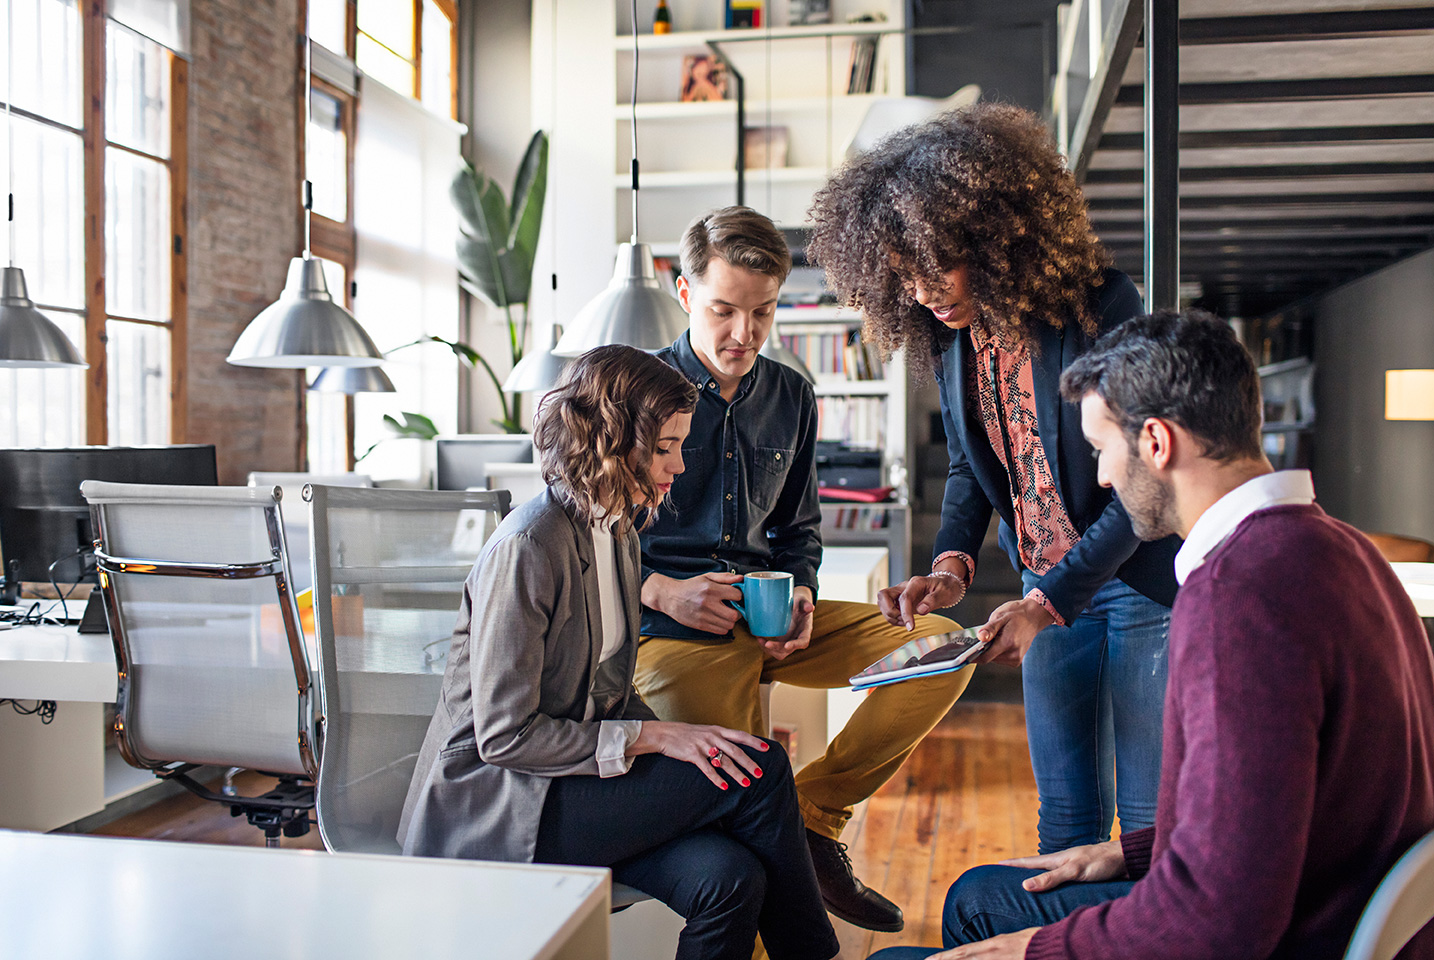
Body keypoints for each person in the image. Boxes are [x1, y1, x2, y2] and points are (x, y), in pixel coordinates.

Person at [871, 309, 1434, 960]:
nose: (1102, 478)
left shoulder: (1236, 597)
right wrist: (1127, 852)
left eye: (1100, 450)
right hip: (1330, 904)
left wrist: (1032, 950)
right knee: (978, 896)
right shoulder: (1348, 549)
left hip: (1288, 935)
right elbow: (1268, 810)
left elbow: (1218, 923)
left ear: (1157, 443)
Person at [807, 104, 1179, 854]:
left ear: (993, 239)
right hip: (1042, 582)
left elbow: (1140, 480)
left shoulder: (1099, 304)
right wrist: (949, 568)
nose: (922, 293)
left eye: (936, 268)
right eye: (904, 276)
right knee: (1066, 819)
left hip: (1135, 582)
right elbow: (970, 466)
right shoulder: (952, 338)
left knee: (1147, 823)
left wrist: (1046, 603)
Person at [398, 345, 839, 960]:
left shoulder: (618, 532)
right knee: (760, 769)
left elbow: (608, 688)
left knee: (731, 877)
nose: (679, 465)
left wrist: (678, 743)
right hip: (503, 803)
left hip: (577, 783)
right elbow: (503, 738)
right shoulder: (529, 547)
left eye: (680, 445)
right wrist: (655, 739)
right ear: (608, 441)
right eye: (664, 448)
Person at [635, 205, 974, 933]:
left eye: (762, 312)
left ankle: (813, 819)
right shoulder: (635, 391)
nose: (744, 333)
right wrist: (661, 589)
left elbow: (798, 530)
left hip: (768, 618)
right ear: (685, 293)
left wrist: (805, 596)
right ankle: (783, 863)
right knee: (738, 813)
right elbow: (586, 535)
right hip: (672, 632)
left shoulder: (791, 393)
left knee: (945, 648)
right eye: (724, 310)